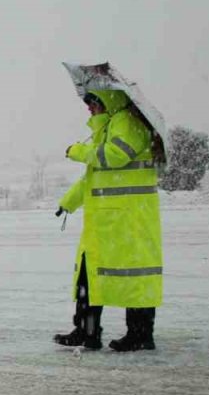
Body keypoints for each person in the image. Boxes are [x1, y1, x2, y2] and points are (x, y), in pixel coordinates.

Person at [53, 90, 163, 352]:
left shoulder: (128, 122)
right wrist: (68, 202)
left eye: (92, 103)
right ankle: (86, 332)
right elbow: (94, 176)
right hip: (108, 220)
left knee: (134, 276)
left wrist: (78, 150)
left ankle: (140, 335)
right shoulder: (111, 125)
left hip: (128, 219)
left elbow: (113, 157)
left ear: (108, 100)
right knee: (88, 276)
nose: (89, 109)